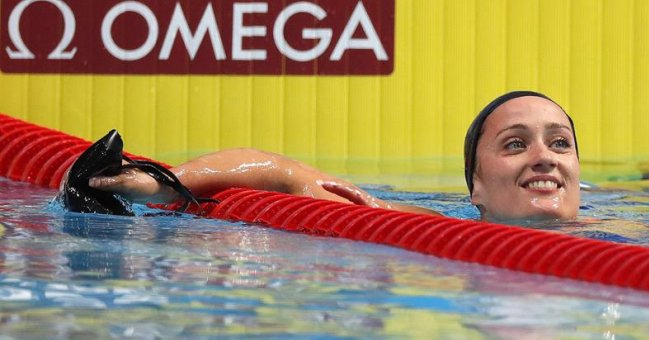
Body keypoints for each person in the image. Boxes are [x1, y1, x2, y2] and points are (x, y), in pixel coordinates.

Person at [88, 91, 580, 223]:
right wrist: (157, 184)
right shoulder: (424, 225)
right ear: (474, 187)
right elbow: (279, 172)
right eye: (516, 144)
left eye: (560, 143)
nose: (544, 158)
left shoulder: (635, 239)